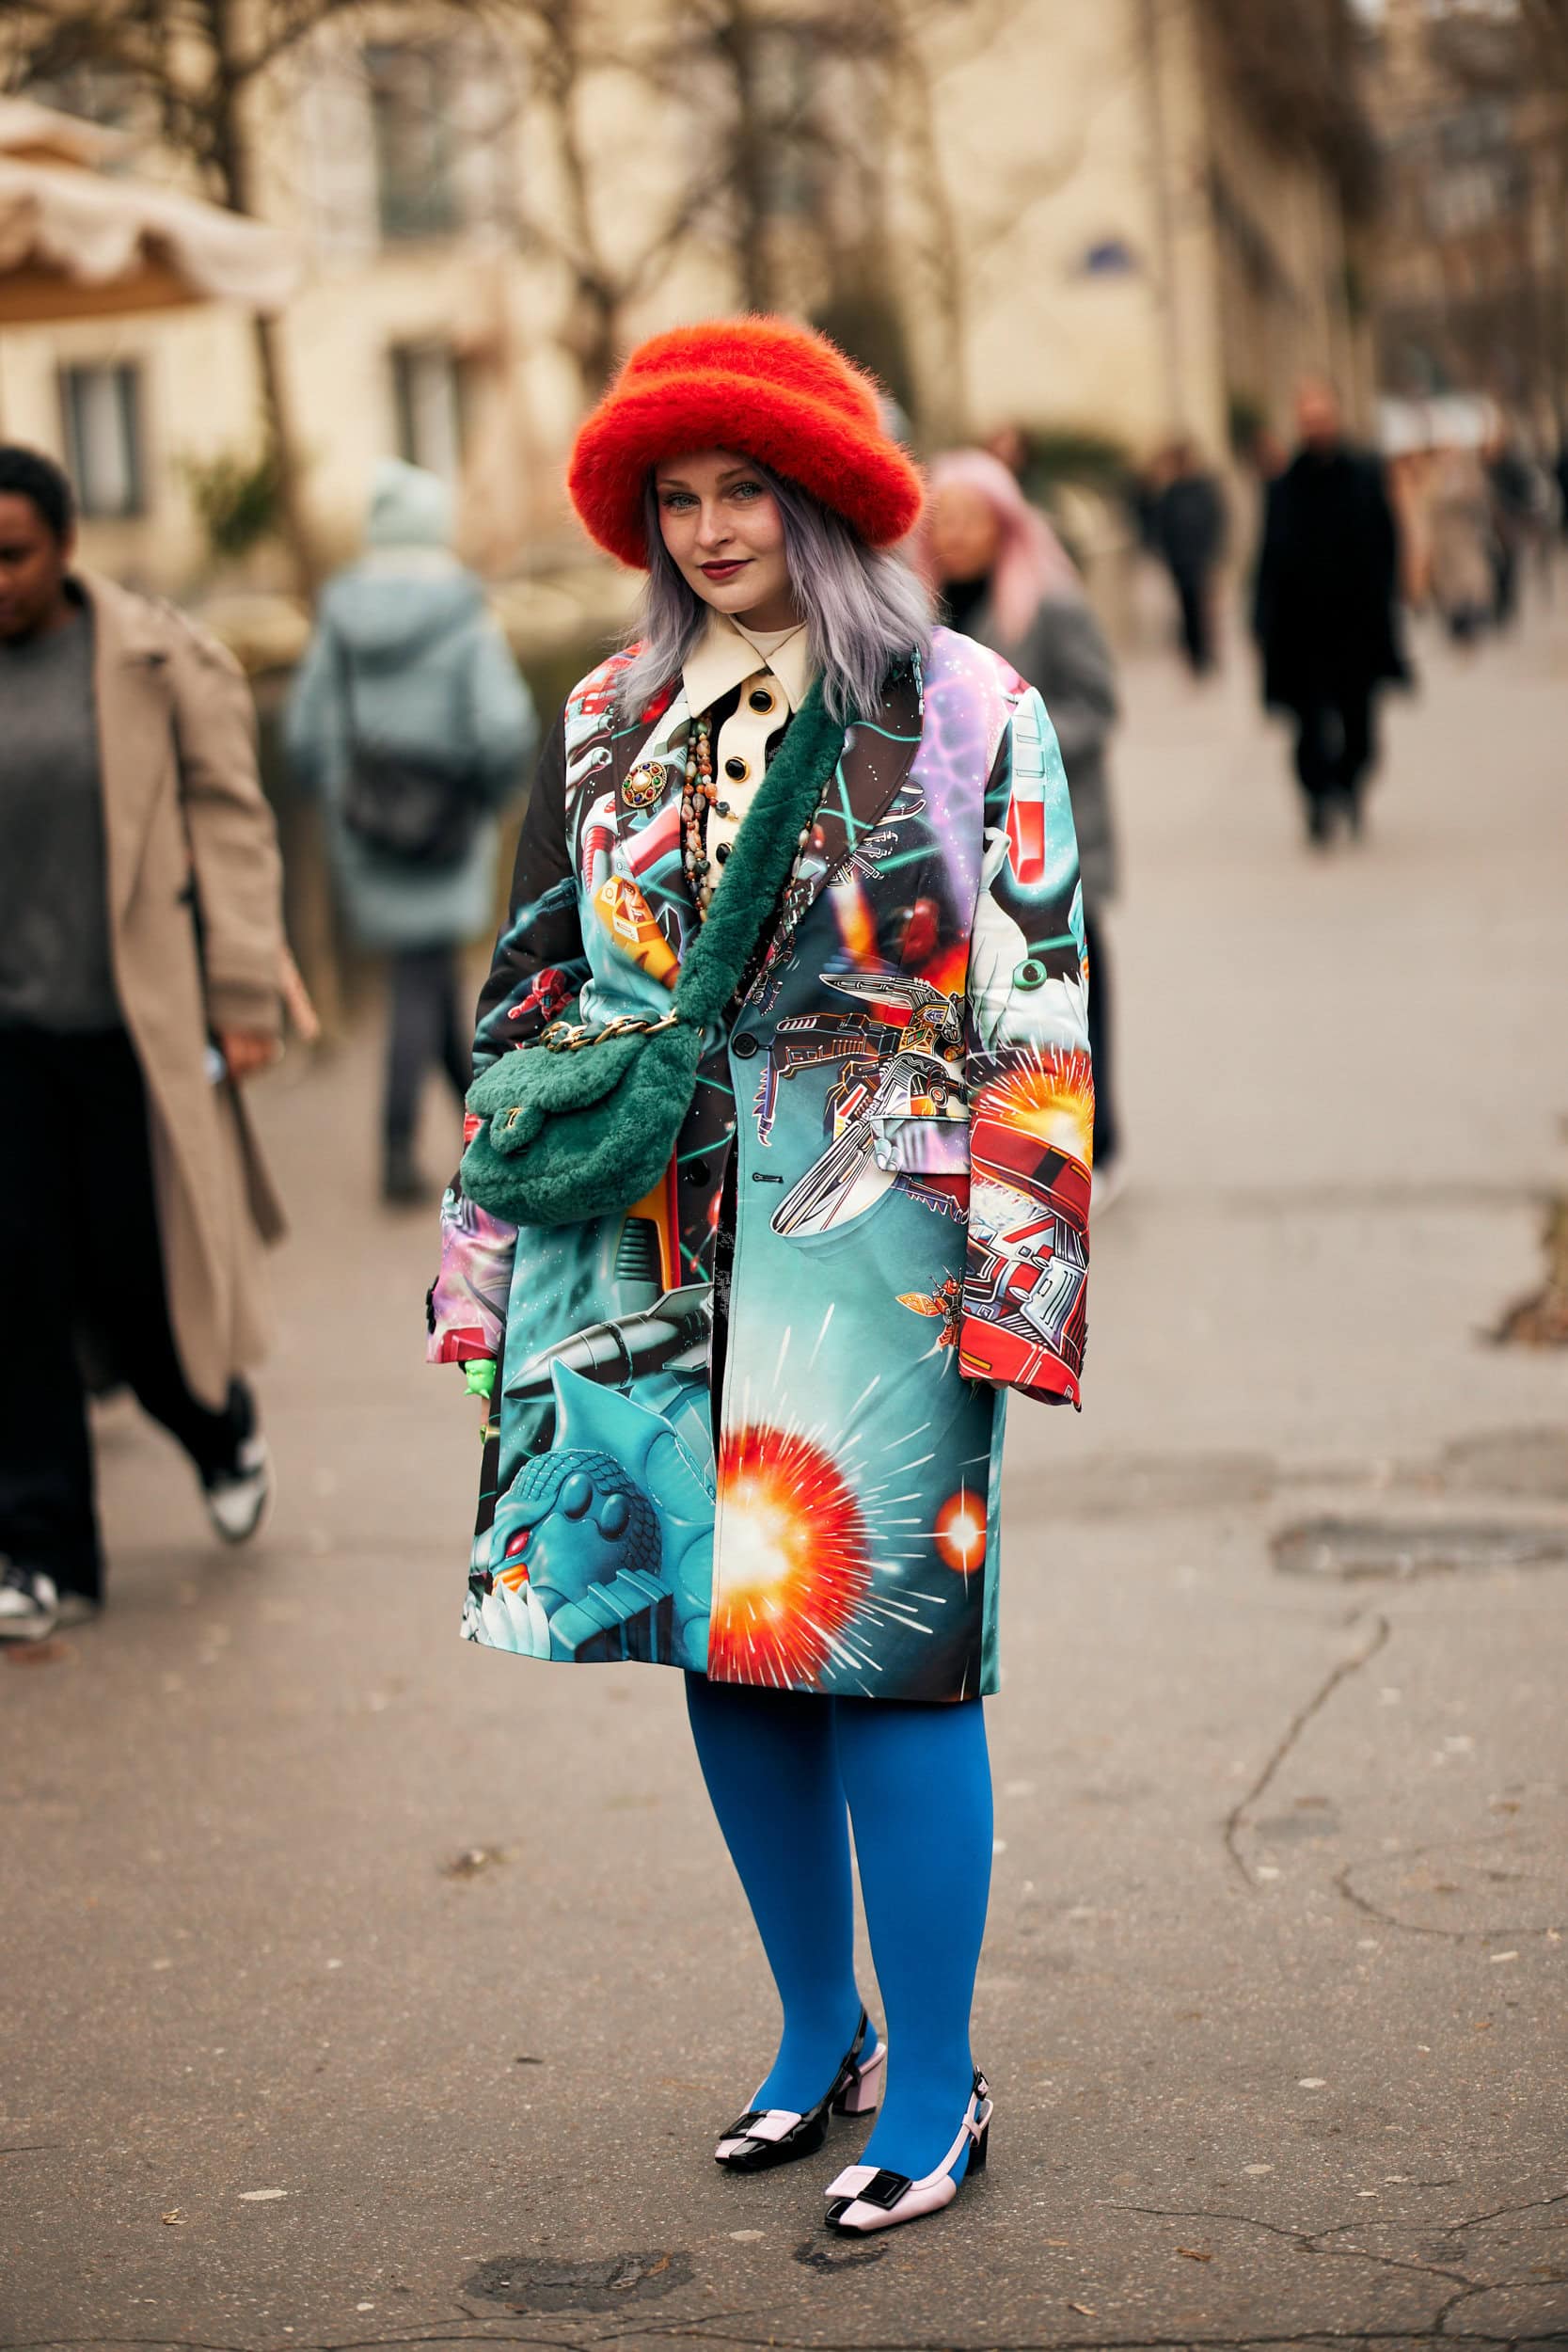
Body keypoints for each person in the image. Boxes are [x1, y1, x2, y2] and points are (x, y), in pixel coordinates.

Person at [427, 320, 1093, 2234]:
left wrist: (1023, 1279)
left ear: (817, 499)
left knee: (885, 1660)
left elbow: (1029, 991)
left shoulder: (963, 706)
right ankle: (821, 2033)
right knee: (712, 1649)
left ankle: (940, 2085)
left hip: (876, 1228)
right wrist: (479, 1248)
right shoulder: (602, 712)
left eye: (744, 489)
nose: (711, 527)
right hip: (635, 1239)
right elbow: (537, 983)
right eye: (678, 496)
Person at [0, 446, 285, 1644]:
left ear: (65, 547)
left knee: (134, 1281)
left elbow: (229, 821)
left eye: (11, 553)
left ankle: (215, 1423)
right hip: (7, 1041)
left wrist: (242, 993)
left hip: (129, 1025)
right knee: (18, 1287)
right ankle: (46, 1550)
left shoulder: (157, 661)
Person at [287, 459, 537, 1205]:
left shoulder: (338, 618)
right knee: (420, 977)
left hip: (366, 825)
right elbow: (501, 726)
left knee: (419, 970)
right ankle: (404, 1145)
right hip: (450, 820)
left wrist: (345, 798)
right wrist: (491, 795)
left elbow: (306, 731)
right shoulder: (461, 610)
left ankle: (482, 1118)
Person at [925, 447, 1123, 1200]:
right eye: (941, 521)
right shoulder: (923, 614)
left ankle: (1097, 1144)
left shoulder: (1049, 602)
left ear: (1003, 522)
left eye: (969, 518)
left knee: (1071, 995)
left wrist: (1010, 744)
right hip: (964, 850)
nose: (953, 534)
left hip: (1054, 842)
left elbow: (1097, 707)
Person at [1253, 377, 1409, 847]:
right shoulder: (1284, 486)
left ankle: (1349, 784)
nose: (1314, 426)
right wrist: (1260, 619)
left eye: (1321, 417)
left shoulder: (1363, 476)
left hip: (1355, 627)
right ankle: (1317, 800)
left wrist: (1388, 602)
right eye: (1307, 418)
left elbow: (1386, 544)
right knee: (1307, 727)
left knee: (1359, 726)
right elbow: (1268, 557)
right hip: (1300, 631)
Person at [1151, 437, 1227, 675]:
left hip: (1200, 559)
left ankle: (1206, 654)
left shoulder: (1203, 488)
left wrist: (1212, 552)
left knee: (1204, 608)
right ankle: (1194, 655)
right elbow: (1161, 524)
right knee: (1187, 609)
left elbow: (1215, 520)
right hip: (1180, 561)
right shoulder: (1172, 492)